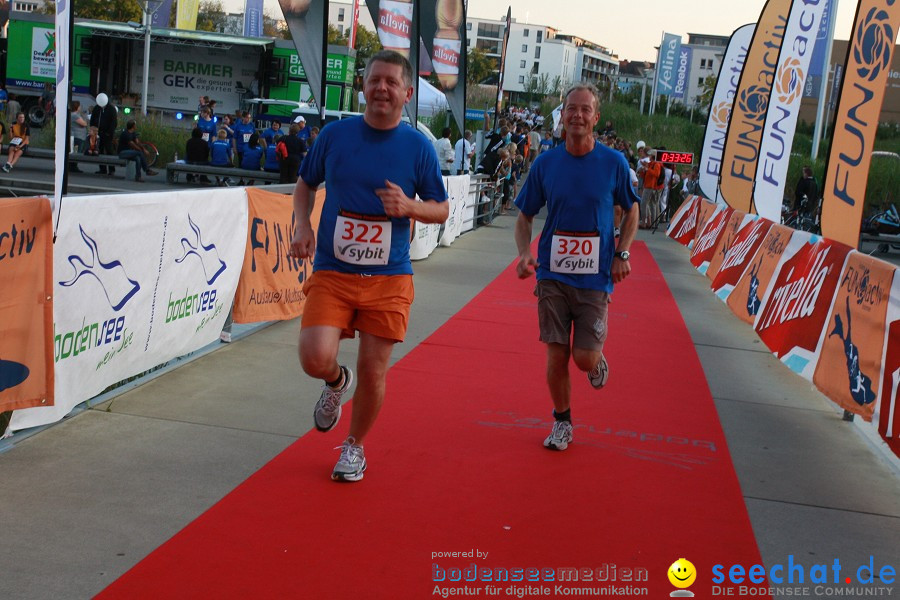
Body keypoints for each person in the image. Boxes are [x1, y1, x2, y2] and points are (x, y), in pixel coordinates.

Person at [288, 50, 448, 482]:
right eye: (375, 80)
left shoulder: (418, 147)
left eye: (391, 82)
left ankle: (354, 449)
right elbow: (305, 184)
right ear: (363, 86)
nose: (382, 88)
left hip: (389, 277)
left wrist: (410, 206)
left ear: (407, 93)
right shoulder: (336, 136)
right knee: (313, 357)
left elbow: (442, 208)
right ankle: (336, 382)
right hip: (333, 271)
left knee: (374, 370)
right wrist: (301, 224)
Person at [513, 83, 640, 452]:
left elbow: (632, 210)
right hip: (552, 273)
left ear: (596, 118)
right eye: (572, 109)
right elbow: (525, 215)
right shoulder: (546, 163)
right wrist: (525, 253)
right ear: (562, 115)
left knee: (583, 359)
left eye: (586, 110)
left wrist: (623, 253)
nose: (578, 115)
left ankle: (595, 359)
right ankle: (563, 421)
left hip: (596, 276)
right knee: (556, 355)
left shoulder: (613, 163)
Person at [90, 93, 117, 175]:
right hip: (98, 133)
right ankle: (102, 169)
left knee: (109, 151)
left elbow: (114, 122)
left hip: (107, 134)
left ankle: (111, 169)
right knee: (99, 150)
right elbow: (92, 118)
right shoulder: (97, 108)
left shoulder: (111, 109)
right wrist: (93, 128)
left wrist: (109, 133)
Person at [69, 101, 88, 173]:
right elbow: (84, 124)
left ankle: (73, 166)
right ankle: (73, 166)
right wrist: (85, 117)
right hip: (77, 136)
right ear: (77, 107)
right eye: (79, 106)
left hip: (78, 136)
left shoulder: (75, 114)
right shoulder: (75, 115)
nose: (80, 108)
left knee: (75, 151)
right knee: (76, 152)